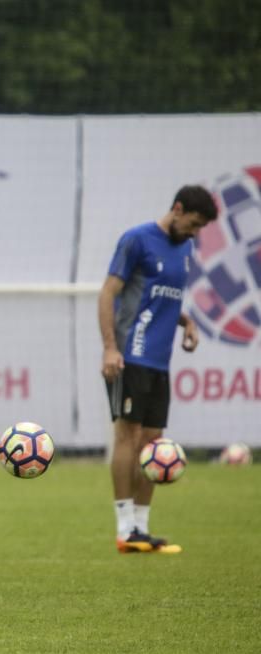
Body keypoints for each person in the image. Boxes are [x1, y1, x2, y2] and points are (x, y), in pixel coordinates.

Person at [98, 185, 216, 554]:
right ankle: (123, 529)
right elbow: (108, 294)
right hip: (129, 356)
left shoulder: (185, 248)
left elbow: (163, 298)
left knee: (152, 444)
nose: (196, 232)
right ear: (177, 209)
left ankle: (142, 529)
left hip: (160, 361)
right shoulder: (137, 240)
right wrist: (109, 348)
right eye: (194, 223)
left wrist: (187, 322)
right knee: (127, 437)